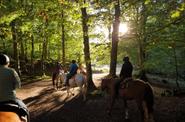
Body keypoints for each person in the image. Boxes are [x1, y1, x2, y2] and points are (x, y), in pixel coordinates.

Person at [0, 54, 29, 122]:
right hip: (10, 99)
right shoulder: (11, 71)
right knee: (24, 109)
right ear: (7, 63)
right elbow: (18, 85)